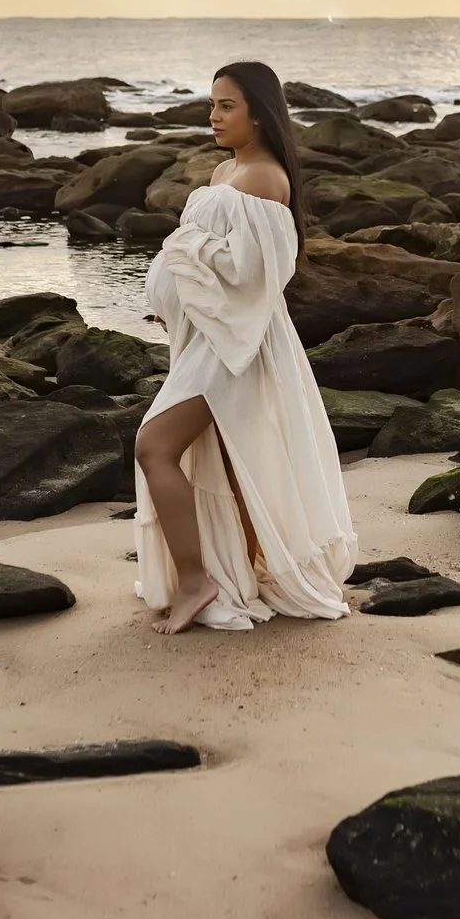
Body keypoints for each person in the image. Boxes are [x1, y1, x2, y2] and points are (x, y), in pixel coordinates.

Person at [133, 61, 359, 634]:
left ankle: (196, 581)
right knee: (234, 464)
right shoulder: (224, 171)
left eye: (227, 105)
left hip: (237, 345)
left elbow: (256, 275)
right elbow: (210, 261)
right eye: (212, 104)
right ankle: (246, 570)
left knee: (154, 447)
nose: (213, 115)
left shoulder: (264, 178)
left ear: (259, 113)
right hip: (207, 337)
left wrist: (184, 256)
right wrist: (176, 298)